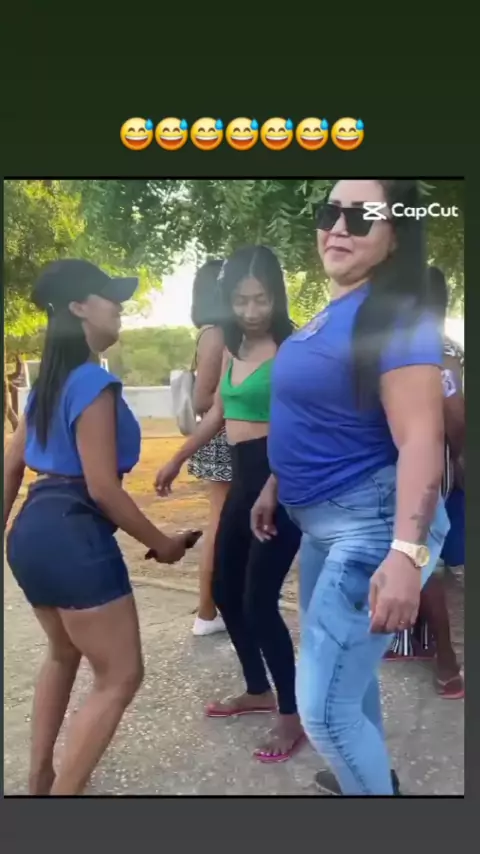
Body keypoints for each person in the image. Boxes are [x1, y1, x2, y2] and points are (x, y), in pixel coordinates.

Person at [251, 180, 450, 796]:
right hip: (323, 524)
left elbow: (423, 440)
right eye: (329, 212)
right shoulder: (335, 313)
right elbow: (318, 414)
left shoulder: (398, 317)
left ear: (395, 238)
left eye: (362, 217)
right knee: (349, 688)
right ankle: (368, 781)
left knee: (324, 711)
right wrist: (275, 483)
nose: (338, 227)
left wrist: (406, 554)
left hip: (373, 523)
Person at [4, 259, 194, 796]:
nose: (120, 307)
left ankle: (40, 779)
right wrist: (163, 544)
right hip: (73, 533)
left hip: (31, 532)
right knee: (121, 675)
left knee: (63, 653)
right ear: (79, 307)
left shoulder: (49, 384)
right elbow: (103, 489)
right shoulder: (93, 382)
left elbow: (12, 466)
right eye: (110, 297)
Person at [155, 246, 304, 762]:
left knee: (260, 601)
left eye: (261, 299)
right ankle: (257, 689)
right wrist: (177, 457)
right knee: (224, 589)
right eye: (241, 300)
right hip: (243, 480)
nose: (251, 310)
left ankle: (291, 714)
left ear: (276, 296)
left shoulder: (293, 348)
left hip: (278, 483)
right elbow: (218, 410)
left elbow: (301, 426)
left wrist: (274, 485)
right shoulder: (232, 346)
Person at [386, 266, 464, 699]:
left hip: (425, 467)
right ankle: (416, 642)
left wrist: (459, 456)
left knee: (421, 555)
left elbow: (454, 413)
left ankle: (446, 662)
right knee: (416, 552)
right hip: (413, 463)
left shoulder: (438, 350)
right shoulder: (425, 345)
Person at [188, 260, 232, 636]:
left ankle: (211, 609)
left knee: (225, 523)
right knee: (219, 525)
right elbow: (201, 399)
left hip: (224, 435)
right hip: (223, 437)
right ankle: (207, 611)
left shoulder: (216, 332)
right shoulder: (216, 334)